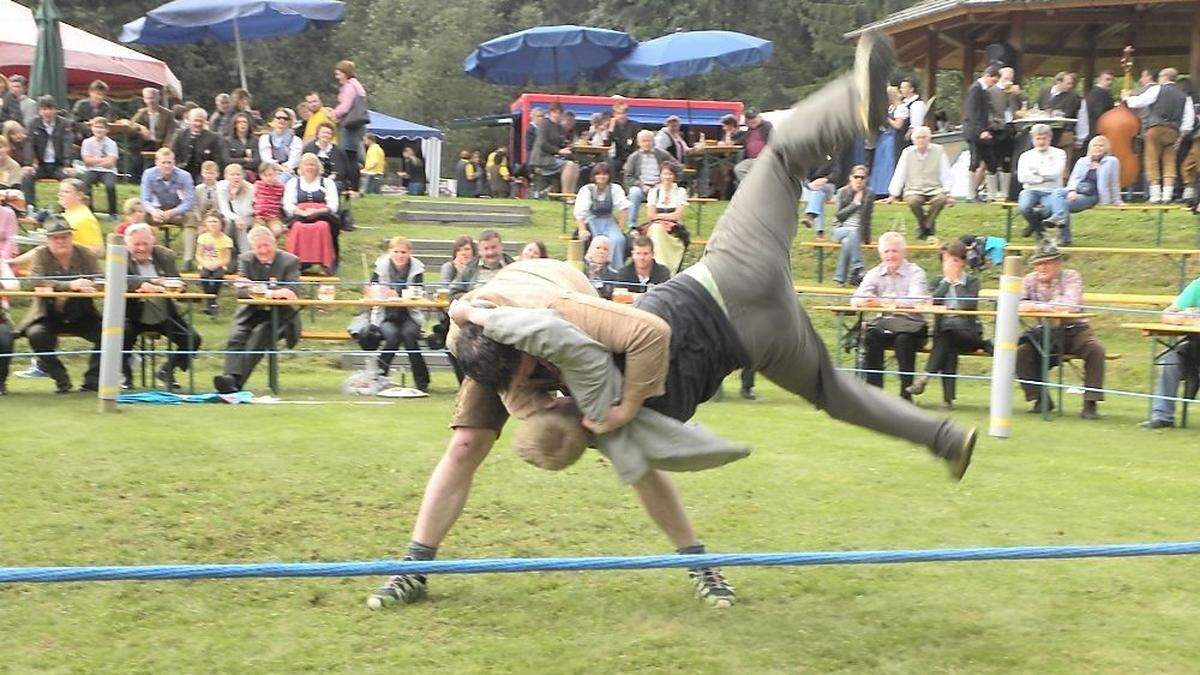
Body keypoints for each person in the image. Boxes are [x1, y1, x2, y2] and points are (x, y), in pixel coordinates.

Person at [364, 34, 977, 610]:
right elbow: (594, 418)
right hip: (740, 291)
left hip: (730, 297)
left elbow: (639, 367)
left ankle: (856, 103)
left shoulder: (558, 321)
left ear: (525, 353)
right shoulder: (506, 358)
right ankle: (416, 564)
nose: (539, 386)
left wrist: (622, 408)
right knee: (477, 441)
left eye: (533, 379)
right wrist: (553, 405)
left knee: (653, 425)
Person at [1016, 240, 1105, 418]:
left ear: (1058, 263)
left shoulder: (1072, 276)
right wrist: (1047, 308)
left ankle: (1090, 403)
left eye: (1046, 263)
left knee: (1096, 349)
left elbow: (1070, 306)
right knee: (1022, 352)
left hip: (1075, 329)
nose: (1041, 267)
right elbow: (1018, 305)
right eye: (1038, 263)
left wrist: (1037, 307)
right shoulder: (1029, 280)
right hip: (1045, 332)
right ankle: (1040, 399)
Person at [212, 226, 301, 394]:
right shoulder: (245, 259)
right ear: (252, 247)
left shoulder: (290, 261)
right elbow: (241, 290)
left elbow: (292, 293)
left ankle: (234, 382)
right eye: (258, 247)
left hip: (283, 317)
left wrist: (261, 291)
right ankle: (230, 378)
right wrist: (273, 292)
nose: (263, 250)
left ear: (275, 243)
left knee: (260, 334)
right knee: (237, 335)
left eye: (267, 245)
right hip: (252, 313)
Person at [17, 217, 101, 393]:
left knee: (110, 332)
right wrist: (69, 285)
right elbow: (34, 281)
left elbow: (101, 279)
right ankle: (62, 380)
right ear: (48, 240)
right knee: (36, 334)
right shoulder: (41, 254)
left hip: (82, 313)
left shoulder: (85, 253)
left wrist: (92, 285)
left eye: (65, 236)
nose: (61, 241)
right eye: (56, 237)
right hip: (48, 314)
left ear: (71, 237)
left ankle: (92, 381)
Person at [905, 241, 990, 408]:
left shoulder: (972, 282)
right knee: (947, 340)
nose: (950, 265)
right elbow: (933, 301)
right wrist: (947, 282)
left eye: (954, 261)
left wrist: (956, 282)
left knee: (947, 336)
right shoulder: (938, 281)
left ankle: (925, 379)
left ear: (963, 262)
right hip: (945, 334)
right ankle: (947, 400)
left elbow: (968, 305)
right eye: (946, 261)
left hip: (968, 334)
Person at [121, 223, 201, 389]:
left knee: (192, 338)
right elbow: (117, 279)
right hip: (132, 313)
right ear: (127, 244)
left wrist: (179, 286)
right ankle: (125, 376)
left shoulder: (165, 255)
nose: (142, 248)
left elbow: (176, 281)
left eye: (145, 243)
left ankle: (166, 370)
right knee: (121, 335)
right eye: (137, 244)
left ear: (153, 241)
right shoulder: (119, 257)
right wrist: (145, 283)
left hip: (164, 313)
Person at [852, 231, 930, 400]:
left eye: (894, 251)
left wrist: (883, 302)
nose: (890, 255)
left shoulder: (916, 273)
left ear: (903, 253)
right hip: (885, 325)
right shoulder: (875, 273)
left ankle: (905, 394)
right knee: (871, 336)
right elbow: (856, 299)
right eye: (886, 251)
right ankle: (875, 395)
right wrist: (865, 301)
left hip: (912, 327)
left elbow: (915, 301)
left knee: (903, 340)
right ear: (881, 254)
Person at [357, 236, 430, 390]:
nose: (399, 255)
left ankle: (422, 381)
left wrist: (398, 294)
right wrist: (371, 291)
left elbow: (418, 292)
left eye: (403, 252)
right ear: (390, 252)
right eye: (396, 251)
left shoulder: (417, 269)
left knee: (410, 337)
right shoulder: (380, 267)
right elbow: (372, 289)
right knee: (392, 337)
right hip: (387, 315)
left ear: (409, 253)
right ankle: (379, 377)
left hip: (410, 315)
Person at [1123, 67, 1195, 203]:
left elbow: (1138, 102)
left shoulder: (1157, 89)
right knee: (1170, 162)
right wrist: (1181, 136)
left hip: (1155, 129)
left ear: (1165, 77)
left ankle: (1155, 195)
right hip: (1173, 132)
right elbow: (1188, 120)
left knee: (1152, 160)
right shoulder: (1185, 96)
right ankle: (1167, 195)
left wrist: (1126, 97)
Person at [1139, 275, 1200, 429]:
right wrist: (1181, 318)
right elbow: (1167, 314)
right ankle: (1163, 416)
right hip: (1193, 345)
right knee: (1169, 360)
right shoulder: (1197, 285)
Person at [886, 126, 953, 240]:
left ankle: (924, 226)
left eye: (924, 137)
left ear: (929, 138)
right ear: (913, 140)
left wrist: (948, 193)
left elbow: (945, 173)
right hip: (914, 189)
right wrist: (893, 194)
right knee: (913, 201)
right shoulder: (907, 153)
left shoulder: (939, 150)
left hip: (935, 188)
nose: (921, 140)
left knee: (941, 199)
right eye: (918, 137)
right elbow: (900, 174)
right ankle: (926, 227)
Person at [1055, 135, 1122, 245]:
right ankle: (1056, 221)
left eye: (1101, 145)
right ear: (1090, 147)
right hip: (1076, 190)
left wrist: (1117, 200)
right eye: (1095, 145)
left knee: (1061, 204)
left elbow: (1114, 182)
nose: (1098, 148)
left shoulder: (1111, 161)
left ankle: (1064, 237)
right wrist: (1072, 191)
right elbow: (1074, 178)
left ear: (1106, 148)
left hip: (1091, 194)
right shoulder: (1083, 161)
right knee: (1056, 192)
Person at [283, 153, 339, 274]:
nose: (310, 167)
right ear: (301, 167)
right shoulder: (293, 182)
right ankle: (295, 264)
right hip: (299, 214)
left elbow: (333, 205)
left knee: (322, 226)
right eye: (307, 165)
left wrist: (317, 211)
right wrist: (301, 212)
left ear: (318, 167)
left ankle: (325, 264)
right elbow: (288, 204)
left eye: (313, 165)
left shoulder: (327, 182)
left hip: (322, 214)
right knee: (297, 227)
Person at [140, 148, 197, 265]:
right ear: (157, 162)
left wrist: (172, 212)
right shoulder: (148, 174)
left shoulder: (185, 176)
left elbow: (188, 201)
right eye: (163, 162)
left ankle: (188, 259)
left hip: (177, 212)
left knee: (191, 218)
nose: (167, 166)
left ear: (174, 162)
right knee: (140, 216)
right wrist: (153, 211)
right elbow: (145, 199)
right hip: (157, 211)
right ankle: (143, 253)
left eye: (169, 162)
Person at [573, 163, 630, 270]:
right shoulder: (587, 190)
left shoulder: (615, 189)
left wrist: (620, 228)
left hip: (608, 221)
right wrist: (582, 230)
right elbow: (580, 212)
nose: (601, 177)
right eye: (598, 174)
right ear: (594, 176)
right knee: (596, 242)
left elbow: (624, 208)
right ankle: (592, 269)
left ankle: (615, 269)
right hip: (591, 221)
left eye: (604, 174)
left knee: (618, 239)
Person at [1016, 123, 1068, 239]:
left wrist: (1035, 172)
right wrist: (1042, 177)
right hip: (1030, 190)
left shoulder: (1059, 154)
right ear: (1033, 139)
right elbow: (1022, 177)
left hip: (1052, 190)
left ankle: (1035, 228)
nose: (1041, 142)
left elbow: (1055, 173)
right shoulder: (1025, 156)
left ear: (1050, 138)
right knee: (1024, 207)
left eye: (1044, 138)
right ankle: (1040, 232)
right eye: (1038, 139)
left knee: (1047, 210)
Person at [24, 96, 74, 209]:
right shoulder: (33, 124)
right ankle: (30, 208)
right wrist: (29, 163)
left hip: (58, 165)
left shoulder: (64, 124)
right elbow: (29, 144)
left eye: (50, 109)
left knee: (70, 178)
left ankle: (66, 208)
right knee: (27, 176)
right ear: (39, 111)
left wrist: (68, 165)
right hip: (40, 165)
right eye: (44, 109)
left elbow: (67, 145)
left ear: (56, 110)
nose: (47, 112)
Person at [962, 65, 1000, 203]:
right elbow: (972, 113)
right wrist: (981, 131)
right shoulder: (975, 89)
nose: (993, 85)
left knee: (991, 162)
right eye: (993, 81)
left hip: (983, 131)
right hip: (974, 132)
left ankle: (992, 195)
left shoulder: (984, 90)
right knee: (975, 162)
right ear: (987, 75)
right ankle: (970, 195)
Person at [830, 165, 874, 286]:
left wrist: (868, 239)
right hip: (839, 230)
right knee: (851, 233)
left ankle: (840, 279)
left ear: (866, 179)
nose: (859, 180)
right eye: (856, 177)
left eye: (862, 177)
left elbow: (867, 219)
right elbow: (839, 216)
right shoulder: (842, 192)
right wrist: (855, 203)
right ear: (850, 178)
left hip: (856, 234)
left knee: (848, 241)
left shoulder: (869, 194)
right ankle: (858, 266)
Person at [623, 130, 676, 226]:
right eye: (643, 141)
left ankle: (661, 224)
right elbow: (628, 177)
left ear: (653, 141)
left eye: (649, 141)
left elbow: (677, 166)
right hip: (641, 187)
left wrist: (667, 180)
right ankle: (632, 225)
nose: (646, 143)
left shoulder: (662, 154)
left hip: (659, 186)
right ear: (639, 143)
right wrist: (641, 185)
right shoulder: (633, 157)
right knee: (634, 193)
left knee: (664, 193)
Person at [643, 163, 689, 272]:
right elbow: (651, 215)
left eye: (670, 174)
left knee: (659, 230)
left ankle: (669, 268)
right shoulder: (654, 192)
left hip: (674, 227)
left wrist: (660, 216)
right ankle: (659, 266)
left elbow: (678, 215)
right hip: (656, 224)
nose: (667, 177)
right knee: (656, 230)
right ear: (660, 175)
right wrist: (663, 218)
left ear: (674, 176)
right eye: (665, 174)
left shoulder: (680, 192)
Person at [331, 60, 368, 192]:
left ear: (345, 73)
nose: (337, 77)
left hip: (350, 124)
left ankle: (353, 187)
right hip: (357, 125)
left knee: (348, 157)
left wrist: (334, 113)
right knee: (352, 156)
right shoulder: (357, 86)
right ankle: (353, 186)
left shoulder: (349, 86)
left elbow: (345, 106)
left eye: (338, 73)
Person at [529, 103, 579, 195]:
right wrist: (559, 151)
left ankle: (571, 194)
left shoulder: (559, 127)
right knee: (569, 165)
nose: (557, 115)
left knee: (575, 165)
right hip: (542, 158)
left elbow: (561, 142)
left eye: (559, 113)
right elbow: (543, 144)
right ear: (550, 113)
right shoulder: (544, 124)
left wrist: (569, 146)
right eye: (554, 112)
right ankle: (566, 195)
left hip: (553, 158)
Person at [130, 88, 177, 178]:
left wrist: (166, 146)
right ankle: (135, 179)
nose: (150, 101)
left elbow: (171, 132)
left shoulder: (168, 114)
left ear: (158, 98)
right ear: (144, 99)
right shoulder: (142, 112)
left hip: (161, 143)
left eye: (152, 98)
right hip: (145, 144)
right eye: (147, 98)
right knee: (135, 153)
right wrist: (141, 127)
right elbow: (131, 124)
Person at [452, 229, 513, 299]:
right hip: (475, 306)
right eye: (486, 249)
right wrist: (471, 297)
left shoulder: (513, 267)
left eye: (494, 247)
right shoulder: (470, 268)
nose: (490, 252)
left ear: (501, 247)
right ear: (480, 251)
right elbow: (454, 293)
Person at [1037, 72, 1082, 163]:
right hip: (1042, 127)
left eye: (1072, 83)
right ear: (1058, 82)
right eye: (1068, 83)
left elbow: (1068, 114)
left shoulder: (1072, 96)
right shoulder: (1044, 90)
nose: (1071, 86)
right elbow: (1038, 107)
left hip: (1061, 130)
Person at [79, 117, 119, 218]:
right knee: (85, 183)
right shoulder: (87, 142)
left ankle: (113, 212)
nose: (98, 130)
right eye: (96, 127)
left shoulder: (111, 143)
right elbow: (86, 162)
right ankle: (89, 210)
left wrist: (94, 160)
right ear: (92, 128)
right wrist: (102, 160)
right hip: (92, 170)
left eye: (101, 127)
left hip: (108, 171)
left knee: (110, 185)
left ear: (106, 130)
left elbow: (110, 163)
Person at [170, 108, 225, 182]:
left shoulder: (213, 137)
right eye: (196, 120)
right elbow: (173, 154)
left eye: (201, 121)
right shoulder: (180, 135)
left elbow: (217, 160)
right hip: (182, 171)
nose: (198, 124)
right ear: (189, 120)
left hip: (203, 174)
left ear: (205, 121)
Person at [195, 210, 233, 316]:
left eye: (215, 221)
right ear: (206, 224)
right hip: (205, 264)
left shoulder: (226, 240)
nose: (212, 224)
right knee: (204, 275)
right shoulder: (203, 238)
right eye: (210, 221)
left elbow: (227, 258)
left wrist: (217, 264)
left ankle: (212, 300)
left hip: (219, 264)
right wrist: (205, 263)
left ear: (221, 224)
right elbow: (198, 255)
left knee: (218, 276)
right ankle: (210, 302)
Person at [56, 178, 103, 257]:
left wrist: (66, 245)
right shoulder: (67, 214)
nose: (60, 194)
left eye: (66, 192)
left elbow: (97, 250)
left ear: (79, 195)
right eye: (60, 191)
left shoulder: (84, 218)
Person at [869, 87, 902, 196]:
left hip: (891, 137)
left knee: (888, 163)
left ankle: (887, 189)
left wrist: (886, 118)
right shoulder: (890, 107)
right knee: (880, 163)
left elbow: (898, 125)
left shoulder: (900, 108)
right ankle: (878, 189)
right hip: (884, 136)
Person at [302, 122, 352, 191]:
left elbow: (341, 171)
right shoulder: (309, 148)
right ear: (318, 134)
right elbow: (303, 166)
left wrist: (330, 179)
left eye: (329, 133)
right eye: (323, 132)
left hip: (333, 180)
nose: (326, 135)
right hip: (311, 178)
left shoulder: (338, 151)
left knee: (333, 186)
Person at [218, 163, 256, 254]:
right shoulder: (221, 187)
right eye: (232, 175)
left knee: (241, 224)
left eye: (238, 174)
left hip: (247, 217)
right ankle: (224, 251)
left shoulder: (250, 188)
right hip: (227, 217)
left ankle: (245, 255)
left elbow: (245, 212)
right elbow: (224, 209)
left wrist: (234, 198)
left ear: (243, 175)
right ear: (226, 176)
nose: (236, 177)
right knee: (229, 221)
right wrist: (236, 217)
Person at [732, 108, 772, 184]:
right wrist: (731, 140)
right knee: (739, 169)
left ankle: (754, 188)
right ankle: (750, 187)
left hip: (765, 158)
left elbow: (774, 141)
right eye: (749, 119)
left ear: (759, 117)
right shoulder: (749, 131)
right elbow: (739, 140)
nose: (752, 120)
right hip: (752, 159)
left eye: (754, 118)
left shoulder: (767, 126)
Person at [259, 108, 303, 175]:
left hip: (289, 172)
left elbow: (294, 161)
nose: (282, 120)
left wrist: (284, 168)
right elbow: (266, 159)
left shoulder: (296, 140)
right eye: (278, 118)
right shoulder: (265, 138)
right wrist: (277, 167)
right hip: (269, 171)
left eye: (286, 118)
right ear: (273, 120)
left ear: (290, 122)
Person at [1079, 72, 1115, 148]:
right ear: (1099, 80)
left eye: (1112, 80)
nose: (1110, 82)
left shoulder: (1093, 92)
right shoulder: (1100, 93)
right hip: (1098, 130)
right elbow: (1099, 113)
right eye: (1107, 79)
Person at [252, 161, 286, 237]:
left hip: (273, 217)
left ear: (276, 174)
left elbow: (283, 201)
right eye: (265, 176)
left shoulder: (280, 186)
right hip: (259, 217)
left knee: (276, 230)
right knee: (257, 231)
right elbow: (253, 199)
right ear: (261, 176)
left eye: (271, 175)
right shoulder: (258, 185)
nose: (269, 178)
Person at [608, 100, 639, 183]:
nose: (621, 116)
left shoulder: (635, 126)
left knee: (631, 167)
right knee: (611, 164)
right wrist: (611, 129)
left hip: (632, 156)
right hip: (618, 157)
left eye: (623, 113)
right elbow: (607, 144)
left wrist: (630, 161)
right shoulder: (613, 127)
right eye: (618, 114)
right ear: (614, 115)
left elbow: (637, 146)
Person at [224, 112, 261, 179]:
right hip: (232, 173)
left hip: (250, 173)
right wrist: (244, 160)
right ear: (235, 125)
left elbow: (257, 161)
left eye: (245, 122)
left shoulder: (255, 140)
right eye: (239, 122)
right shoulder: (227, 141)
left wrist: (236, 161)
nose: (242, 124)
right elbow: (227, 160)